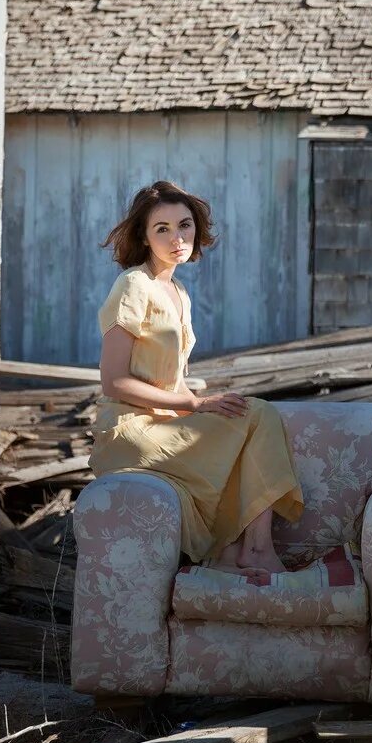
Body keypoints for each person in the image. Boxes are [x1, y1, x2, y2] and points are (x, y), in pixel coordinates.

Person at [89, 180, 303, 583]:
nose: (177, 238)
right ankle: (253, 550)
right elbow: (114, 381)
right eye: (162, 229)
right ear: (144, 237)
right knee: (255, 414)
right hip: (129, 429)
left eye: (184, 225)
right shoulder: (134, 284)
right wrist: (194, 406)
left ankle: (240, 549)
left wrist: (201, 399)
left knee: (250, 414)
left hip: (165, 421)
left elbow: (171, 382)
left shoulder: (179, 292)